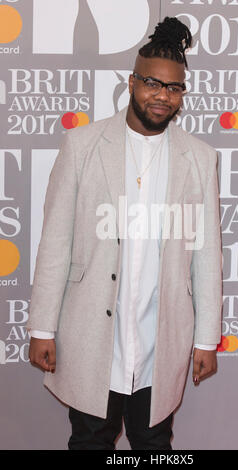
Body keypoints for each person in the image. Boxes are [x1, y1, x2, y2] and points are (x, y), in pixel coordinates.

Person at [27, 17, 223, 450]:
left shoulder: (199, 158)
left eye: (173, 88)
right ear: (132, 82)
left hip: (161, 336)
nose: (162, 96)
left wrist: (207, 339)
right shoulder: (83, 145)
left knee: (154, 442)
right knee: (90, 438)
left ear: (181, 96)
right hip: (92, 335)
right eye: (153, 83)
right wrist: (42, 325)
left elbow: (206, 254)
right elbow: (56, 241)